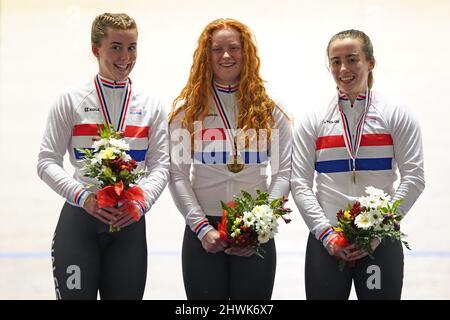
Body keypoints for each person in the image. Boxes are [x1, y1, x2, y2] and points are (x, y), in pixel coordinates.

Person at [37, 13, 170, 299]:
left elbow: (161, 166)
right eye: (116, 47)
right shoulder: (71, 99)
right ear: (96, 49)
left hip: (129, 223)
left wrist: (141, 202)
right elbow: (46, 161)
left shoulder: (151, 104)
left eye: (132, 47)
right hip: (80, 220)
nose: (125, 57)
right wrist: (84, 198)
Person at [291, 29, 425, 299]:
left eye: (352, 59)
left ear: (370, 63)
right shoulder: (313, 119)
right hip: (327, 237)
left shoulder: (395, 113)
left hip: (380, 239)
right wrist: (327, 234)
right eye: (336, 61)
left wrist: (380, 230)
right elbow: (299, 183)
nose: (344, 69)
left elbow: (414, 179)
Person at [168, 18, 292, 300]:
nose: (226, 56)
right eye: (217, 49)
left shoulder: (272, 109)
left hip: (256, 230)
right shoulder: (186, 112)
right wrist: (201, 227)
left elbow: (284, 174)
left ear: (246, 52)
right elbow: (176, 175)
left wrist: (261, 225)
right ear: (205, 56)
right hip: (203, 230)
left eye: (233, 48)